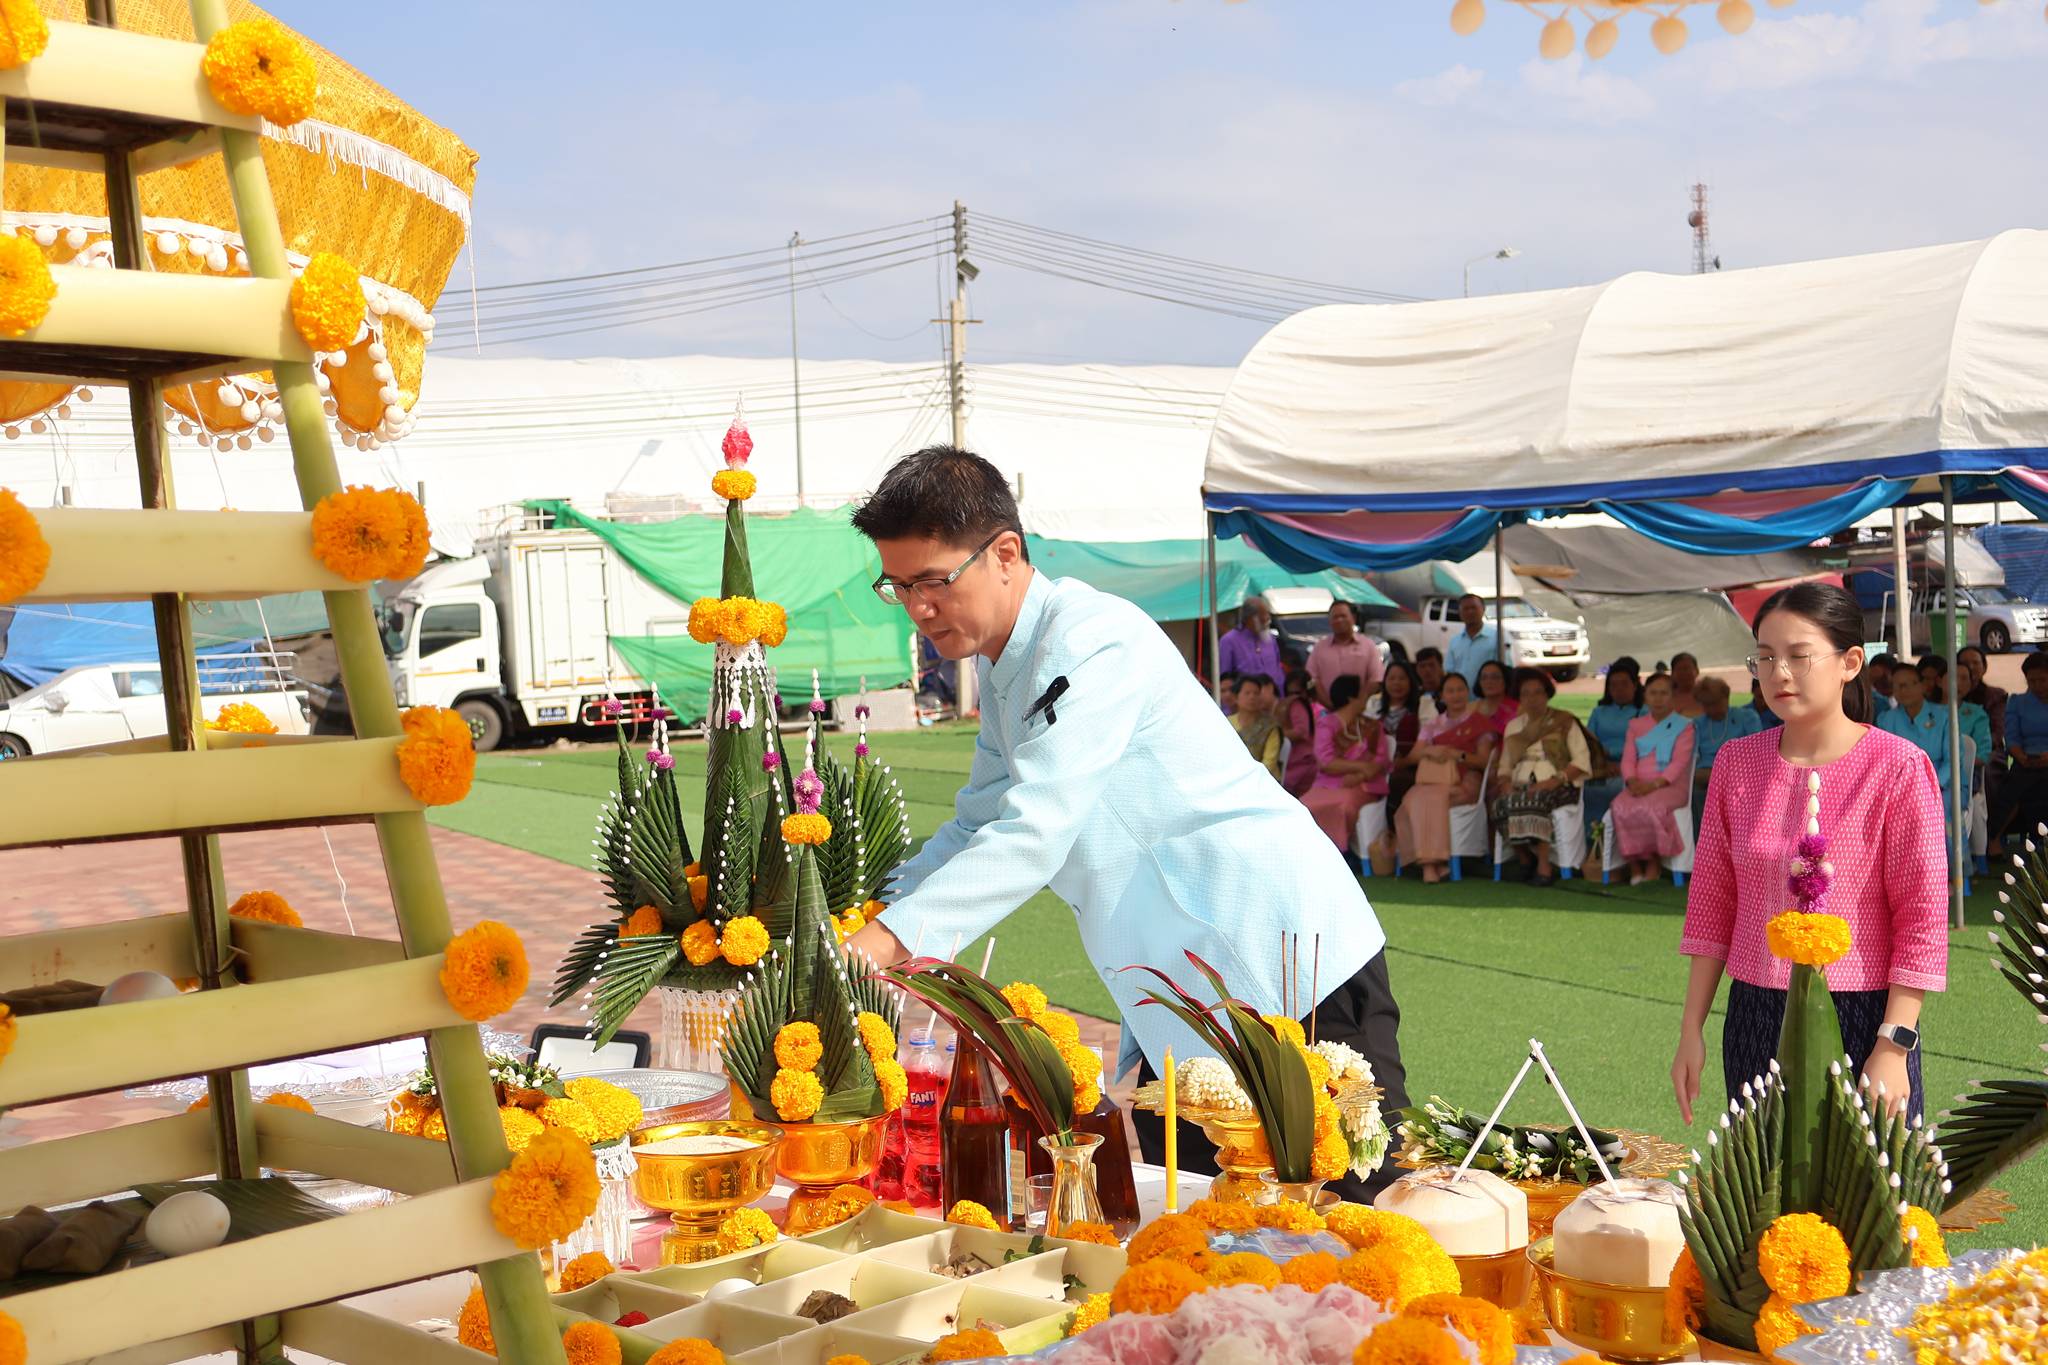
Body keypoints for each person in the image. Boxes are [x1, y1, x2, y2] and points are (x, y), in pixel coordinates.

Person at [844, 446, 1408, 1200]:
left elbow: (1034, 830)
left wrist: (883, 943)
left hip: (1286, 961)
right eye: (899, 585)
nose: (917, 608)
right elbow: (975, 825)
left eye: (933, 581)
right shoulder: (1009, 671)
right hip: (1187, 992)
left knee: (1349, 1217)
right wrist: (864, 914)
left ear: (1006, 553)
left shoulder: (1090, 638)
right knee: (1212, 1236)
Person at [1675, 582, 1946, 1125]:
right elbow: (1712, 906)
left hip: (1864, 1013)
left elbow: (1922, 919)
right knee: (1764, 1195)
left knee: (1872, 1199)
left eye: (1799, 656)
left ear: (1850, 663)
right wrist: (1691, 1031)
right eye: (1766, 657)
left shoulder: (1897, 767)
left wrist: (1894, 1044)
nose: (1779, 673)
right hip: (1755, 1010)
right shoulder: (1735, 764)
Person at [1490, 670, 1590, 887]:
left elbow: (1581, 760)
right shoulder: (1514, 726)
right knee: (1499, 805)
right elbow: (1505, 764)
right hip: (1522, 781)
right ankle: (1526, 859)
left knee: (1536, 801)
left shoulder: (1564, 721)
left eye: (1538, 693)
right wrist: (1506, 782)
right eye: (1526, 694)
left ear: (1547, 695)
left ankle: (1544, 866)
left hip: (1560, 783)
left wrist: (1554, 781)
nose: (1532, 699)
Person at [1396, 671, 1498, 884]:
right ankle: (1433, 864)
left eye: (1460, 689)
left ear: (1468, 693)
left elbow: (1483, 761)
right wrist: (1430, 751)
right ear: (1442, 696)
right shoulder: (1433, 725)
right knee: (1411, 799)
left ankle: (1429, 864)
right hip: (1433, 780)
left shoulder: (1479, 723)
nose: (1456, 695)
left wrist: (1458, 755)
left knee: (1432, 800)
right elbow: (1413, 756)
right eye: (1450, 691)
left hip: (1466, 780)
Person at [1612, 674, 1698, 886]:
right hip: (1637, 785)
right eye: (1653, 693)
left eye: (1664, 693)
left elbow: (1679, 763)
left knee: (1653, 808)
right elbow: (1628, 760)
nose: (1658, 699)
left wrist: (1652, 786)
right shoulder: (1635, 725)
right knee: (1619, 806)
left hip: (1670, 786)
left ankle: (1653, 862)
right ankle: (1634, 865)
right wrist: (1632, 782)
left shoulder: (1685, 726)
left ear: (1673, 697)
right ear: (1645, 696)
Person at [1303, 675, 1392, 854]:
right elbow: (1325, 761)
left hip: (1364, 786)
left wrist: (1360, 776)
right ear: (1352, 697)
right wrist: (1359, 767)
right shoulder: (1326, 724)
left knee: (1344, 805)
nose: (1367, 697)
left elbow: (1380, 760)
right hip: (1327, 785)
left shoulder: (1372, 726)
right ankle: (1311, 854)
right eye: (1364, 692)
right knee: (1303, 806)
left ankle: (1338, 854)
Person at [1877, 659, 1955, 831]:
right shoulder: (1886, 719)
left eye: (1907, 684)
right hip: (1900, 789)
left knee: (1944, 811)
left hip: (1943, 786)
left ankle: (1957, 859)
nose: (1902, 690)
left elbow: (1952, 761)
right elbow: (1883, 764)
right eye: (1897, 686)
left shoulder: (1944, 716)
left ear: (1922, 686)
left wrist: (1931, 787)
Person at [1690, 675, 1762, 830]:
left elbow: (1756, 755)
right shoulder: (1697, 724)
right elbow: (1692, 757)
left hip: (1737, 776)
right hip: (1704, 780)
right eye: (1706, 704)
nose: (1711, 708)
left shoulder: (1747, 717)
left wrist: (1719, 774)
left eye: (1715, 703)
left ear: (1726, 697)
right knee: (1696, 792)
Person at [1993, 651, 2048, 847]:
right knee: (2012, 789)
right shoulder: (2018, 702)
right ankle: (1994, 840)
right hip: (2025, 759)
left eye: (2043, 680)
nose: (2038, 686)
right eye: (2032, 681)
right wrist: (2021, 756)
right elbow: (2012, 736)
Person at [1584, 660, 1646, 827]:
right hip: (1600, 767)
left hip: (1632, 769)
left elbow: (1643, 746)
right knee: (1583, 789)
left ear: (1635, 685)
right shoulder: (1599, 712)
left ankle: (1620, 838)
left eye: (1624, 684)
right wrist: (1603, 761)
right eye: (1614, 685)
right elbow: (1588, 741)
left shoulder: (1644, 712)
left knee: (1616, 788)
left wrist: (1612, 754)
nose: (1619, 689)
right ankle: (1593, 840)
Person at [1370, 661, 1430, 819]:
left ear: (1411, 681)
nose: (1397, 683)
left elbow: (1429, 738)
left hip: (1410, 766)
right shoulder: (1373, 705)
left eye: (1402, 678)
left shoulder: (1423, 705)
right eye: (1392, 678)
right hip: (1376, 766)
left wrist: (1404, 762)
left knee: (1397, 782)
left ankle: (1395, 831)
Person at [1308, 600, 1383, 709]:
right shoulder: (1319, 648)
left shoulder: (1368, 646)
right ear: (1329, 621)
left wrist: (1359, 703)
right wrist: (1328, 704)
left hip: (1362, 711)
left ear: (1353, 618)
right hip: (1327, 713)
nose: (1339, 620)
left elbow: (1376, 678)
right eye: (1335, 617)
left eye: (1343, 616)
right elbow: (1312, 679)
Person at [1220, 596, 1284, 692]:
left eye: (1268, 615)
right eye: (1262, 617)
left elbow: (1278, 670)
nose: (1267, 619)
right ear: (1249, 618)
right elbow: (1225, 681)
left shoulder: (1270, 639)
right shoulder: (1228, 641)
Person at [1231, 675, 1283, 780]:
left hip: (1263, 781)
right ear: (1236, 698)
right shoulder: (1226, 723)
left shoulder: (1270, 727)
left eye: (1256, 693)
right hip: (1232, 778)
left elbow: (1269, 764)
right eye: (1247, 693)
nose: (1252, 697)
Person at [1279, 669, 1320, 797]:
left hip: (1304, 762)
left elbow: (1301, 732)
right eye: (1289, 693)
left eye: (1296, 693)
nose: (1293, 696)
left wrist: (1275, 734)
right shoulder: (1288, 705)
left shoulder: (1298, 706)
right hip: (1296, 761)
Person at [1443, 593, 1499, 686]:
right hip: (1461, 698)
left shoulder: (1497, 638)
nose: (1470, 612)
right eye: (1466, 609)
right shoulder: (1455, 641)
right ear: (1460, 613)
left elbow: (1505, 669)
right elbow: (1450, 671)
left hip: (1487, 698)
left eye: (1474, 608)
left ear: (1483, 610)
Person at [1473, 659, 1520, 737]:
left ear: (1505, 680)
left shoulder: (1519, 710)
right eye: (1484, 678)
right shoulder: (1471, 709)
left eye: (1495, 677)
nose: (1489, 681)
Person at [1669, 652, 1705, 719]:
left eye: (1686, 668)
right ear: (1672, 673)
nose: (1683, 673)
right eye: (1679, 669)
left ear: (1697, 671)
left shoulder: (1709, 696)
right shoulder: (1664, 698)